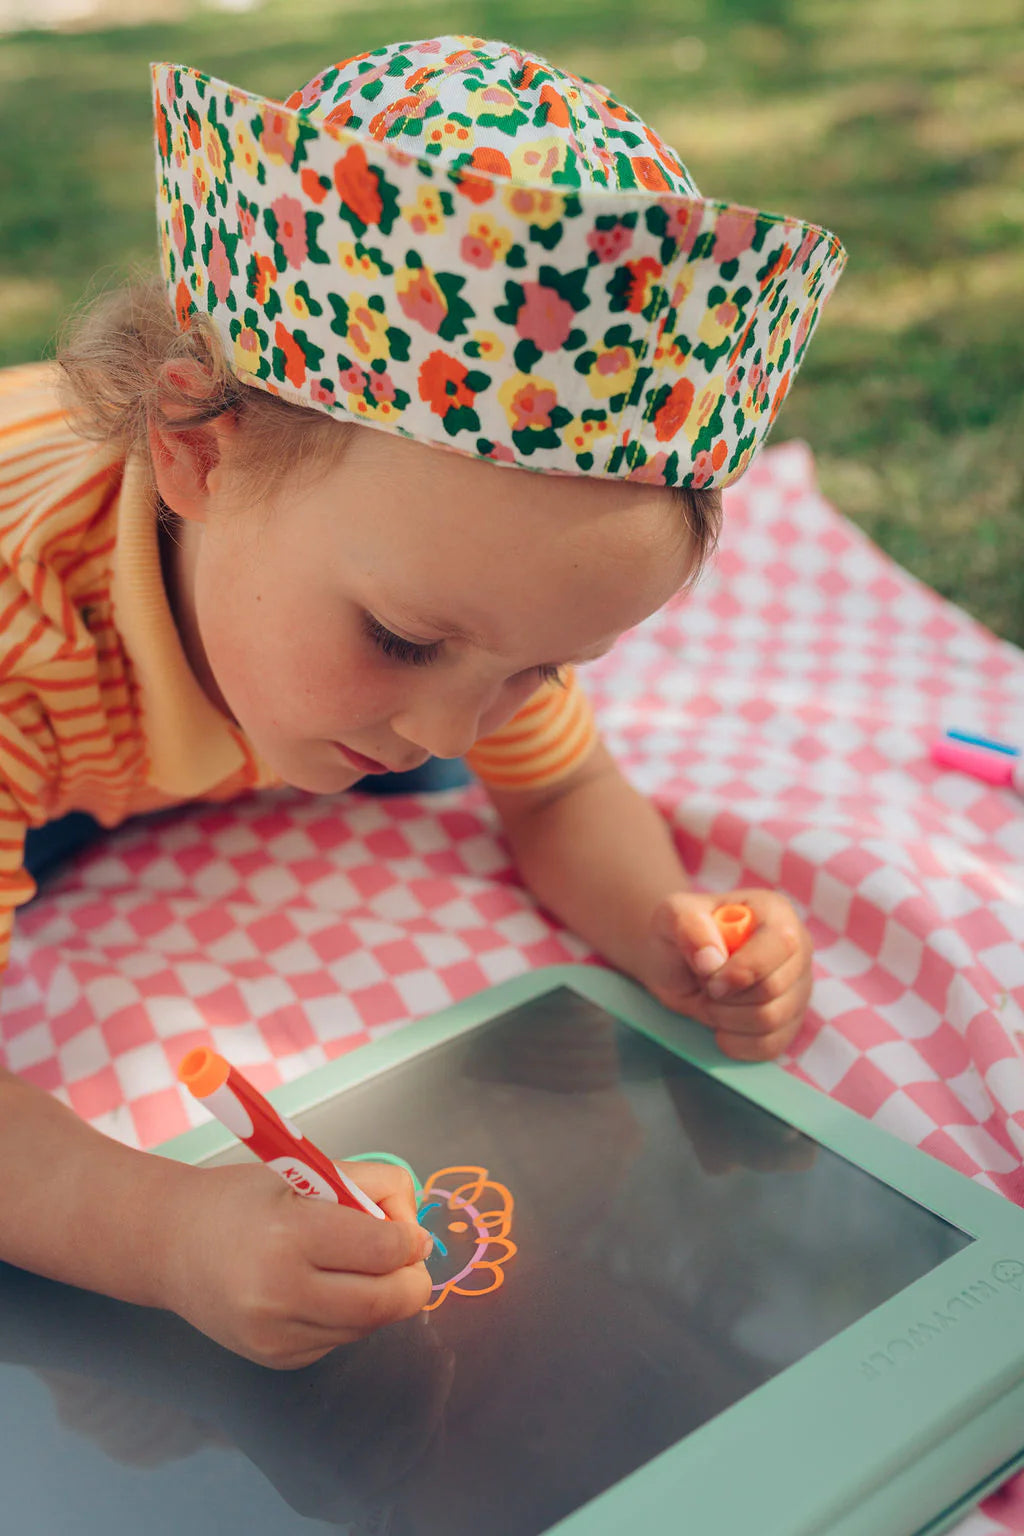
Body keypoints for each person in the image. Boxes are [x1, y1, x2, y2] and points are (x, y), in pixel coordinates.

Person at [0, 34, 846, 1366]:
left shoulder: (457, 605)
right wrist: (168, 1233)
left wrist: (663, 926)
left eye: (541, 670)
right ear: (198, 454)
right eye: (401, 641)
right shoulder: (21, 644)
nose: (453, 732)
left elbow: (561, 788)